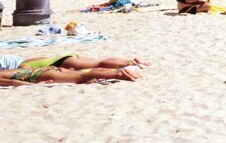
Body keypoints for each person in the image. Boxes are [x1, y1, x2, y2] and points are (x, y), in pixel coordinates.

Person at [0, 53, 148, 84]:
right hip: (58, 62)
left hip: (40, 74)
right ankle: (129, 63)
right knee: (96, 64)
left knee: (84, 75)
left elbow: (12, 82)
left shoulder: (22, 66)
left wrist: (33, 85)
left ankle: (119, 73)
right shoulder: (26, 61)